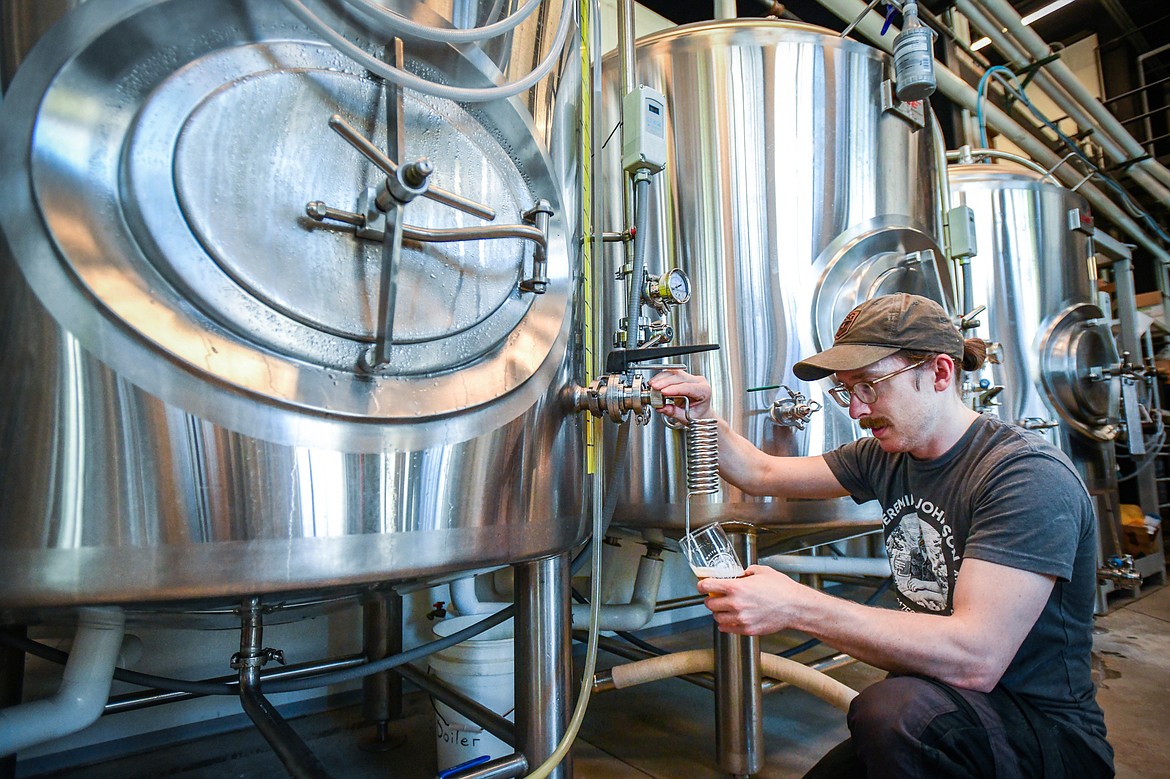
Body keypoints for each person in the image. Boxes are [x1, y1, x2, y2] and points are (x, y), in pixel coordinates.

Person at [649, 293, 1113, 779]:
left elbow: (975, 657)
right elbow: (761, 473)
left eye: (870, 386)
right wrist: (701, 418)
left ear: (938, 373)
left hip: (1041, 738)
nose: (855, 410)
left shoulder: (1023, 476)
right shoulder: (886, 456)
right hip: (942, 712)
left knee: (889, 712)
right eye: (845, 390)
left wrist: (796, 606)